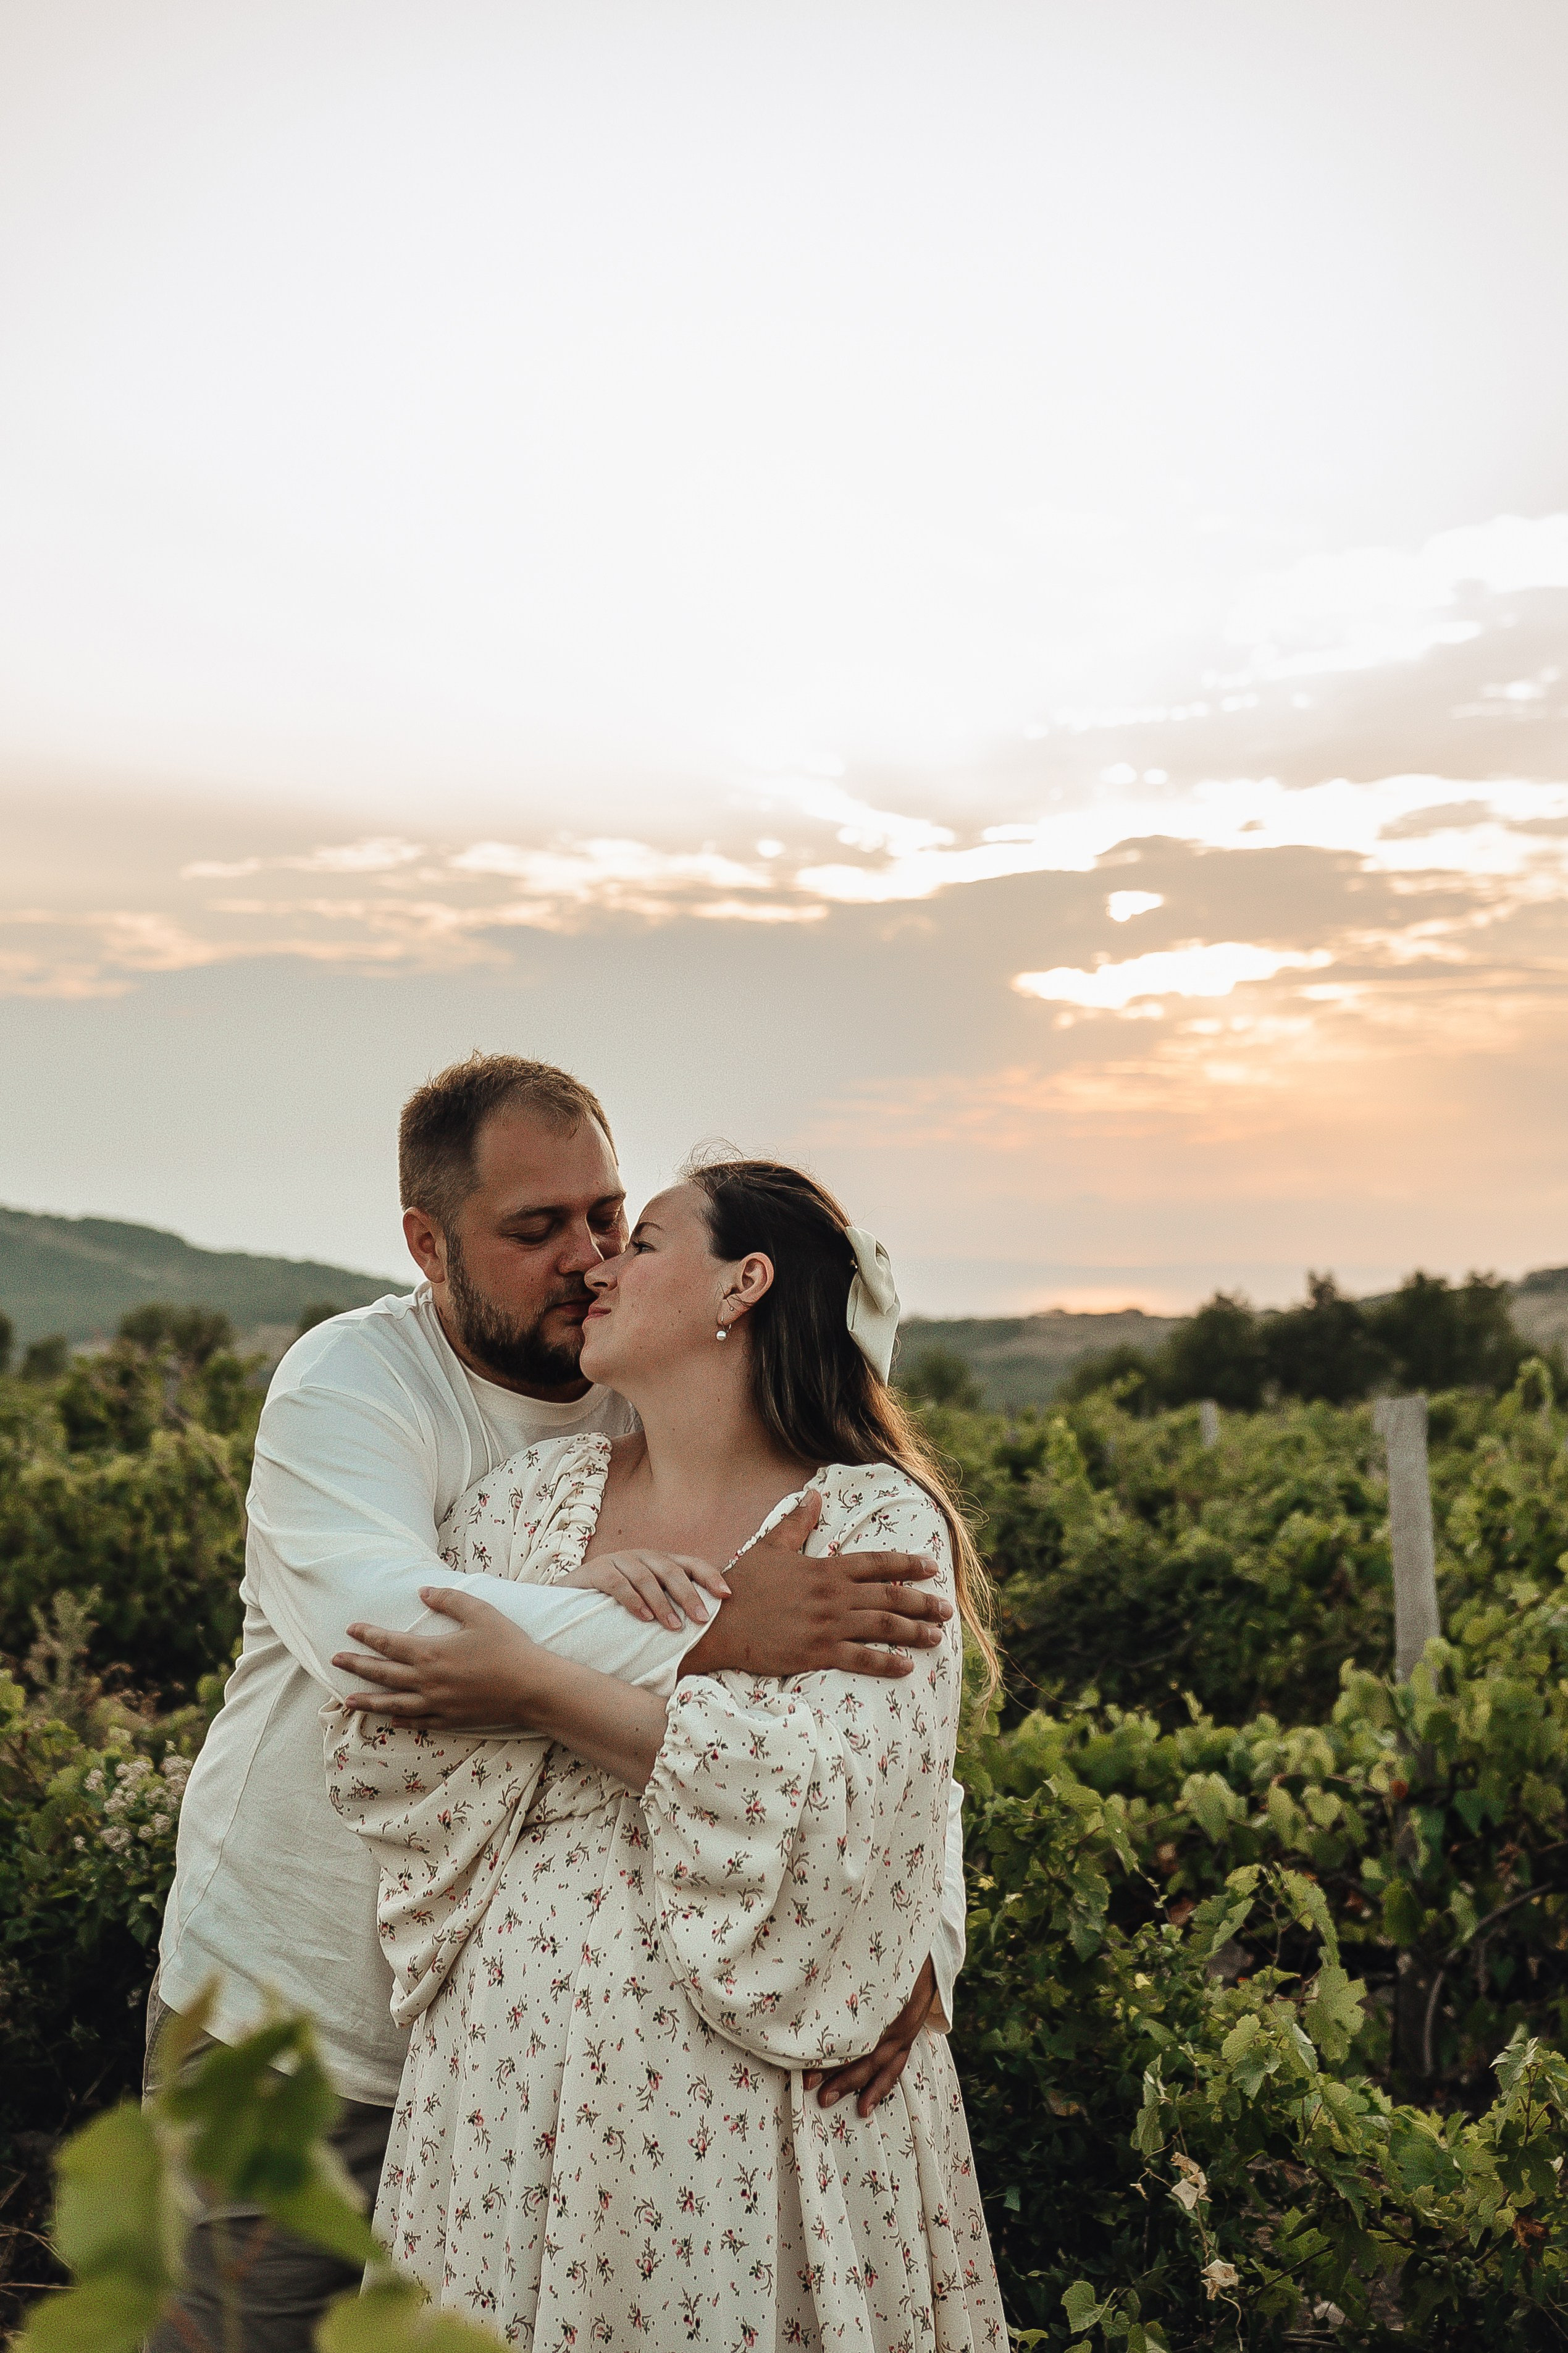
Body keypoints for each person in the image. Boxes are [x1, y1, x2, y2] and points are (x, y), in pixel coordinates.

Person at [150, 1057, 964, 2353]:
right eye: (537, 1231)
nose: (588, 1259)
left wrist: (915, 1923)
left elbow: (886, 1718)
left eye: (609, 1216)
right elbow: (385, 1637)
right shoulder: (353, 1385)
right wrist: (717, 1633)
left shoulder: (635, 1379)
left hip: (512, 2082)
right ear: (428, 1244)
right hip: (296, 2015)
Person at [327, 1158, 1007, 2349]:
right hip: (504, 2092)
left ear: (742, 1285)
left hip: (754, 2111)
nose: (599, 1266)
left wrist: (536, 1684)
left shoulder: (875, 1523)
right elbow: (389, 1735)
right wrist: (623, 1648)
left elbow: (842, 1799)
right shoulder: (527, 1501)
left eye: (638, 1242)